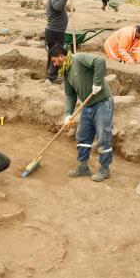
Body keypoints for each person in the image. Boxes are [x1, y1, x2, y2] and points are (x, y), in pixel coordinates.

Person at [49, 45, 114, 182]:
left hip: (102, 102)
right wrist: (68, 114)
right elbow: (70, 95)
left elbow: (100, 61)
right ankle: (83, 167)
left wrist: (97, 83)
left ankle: (105, 169)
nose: (54, 64)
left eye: (55, 61)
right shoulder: (66, 71)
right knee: (82, 136)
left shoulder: (78, 58)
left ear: (62, 56)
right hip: (87, 105)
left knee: (103, 136)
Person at [45, 0, 73, 84]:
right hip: (55, 32)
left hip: (55, 32)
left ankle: (50, 76)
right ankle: (52, 77)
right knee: (56, 55)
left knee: (53, 54)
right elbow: (58, 7)